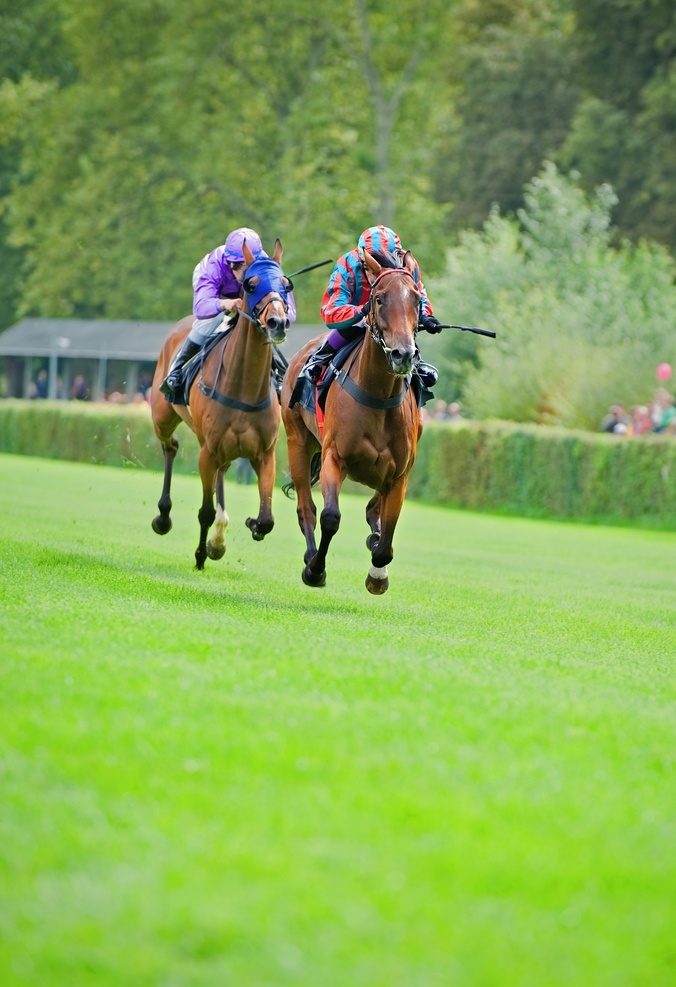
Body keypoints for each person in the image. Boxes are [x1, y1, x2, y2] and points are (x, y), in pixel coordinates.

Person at [160, 227, 296, 403]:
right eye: (245, 271)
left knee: (261, 318)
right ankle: (176, 369)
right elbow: (201, 309)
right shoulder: (213, 268)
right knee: (213, 318)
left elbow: (290, 312)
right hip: (215, 291)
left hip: (242, 294)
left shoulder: (264, 265)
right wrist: (224, 303)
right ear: (231, 264)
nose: (248, 275)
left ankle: (277, 372)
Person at [300, 225, 442, 387]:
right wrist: (363, 310)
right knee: (358, 324)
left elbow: (419, 295)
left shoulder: (408, 265)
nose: (378, 272)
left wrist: (425, 316)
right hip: (356, 319)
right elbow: (331, 312)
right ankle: (320, 357)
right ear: (362, 258)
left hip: (392, 321)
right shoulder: (347, 265)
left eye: (387, 262)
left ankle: (416, 362)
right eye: (372, 264)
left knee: (403, 326)